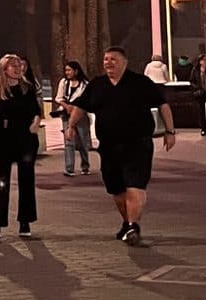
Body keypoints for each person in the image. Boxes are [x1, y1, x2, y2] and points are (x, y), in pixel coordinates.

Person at [69, 47, 176, 246]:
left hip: (138, 144)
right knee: (116, 189)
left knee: (135, 185)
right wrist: (71, 126)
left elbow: (163, 105)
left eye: (113, 59)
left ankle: (134, 225)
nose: (108, 63)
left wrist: (170, 132)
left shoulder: (140, 83)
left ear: (124, 62)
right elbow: (81, 106)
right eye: (106, 59)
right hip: (109, 146)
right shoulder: (97, 85)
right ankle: (127, 223)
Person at [0, 53, 43, 238]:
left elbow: (36, 111)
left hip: (25, 139)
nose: (18, 68)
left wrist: (35, 123)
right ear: (4, 69)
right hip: (3, 141)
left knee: (26, 180)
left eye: (19, 65)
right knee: (1, 182)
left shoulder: (27, 89)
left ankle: (25, 222)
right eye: (13, 65)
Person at [53, 59, 92, 176]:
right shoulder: (64, 83)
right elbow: (58, 97)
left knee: (82, 141)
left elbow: (86, 100)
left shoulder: (85, 84)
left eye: (69, 70)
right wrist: (66, 106)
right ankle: (69, 168)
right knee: (69, 140)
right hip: (66, 114)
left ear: (76, 71)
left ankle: (85, 166)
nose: (67, 73)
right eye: (66, 70)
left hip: (81, 115)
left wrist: (75, 108)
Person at [189, 54, 206, 137]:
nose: (205, 61)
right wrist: (197, 88)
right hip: (200, 92)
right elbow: (192, 81)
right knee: (201, 111)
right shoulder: (195, 70)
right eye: (203, 60)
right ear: (200, 61)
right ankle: (203, 129)